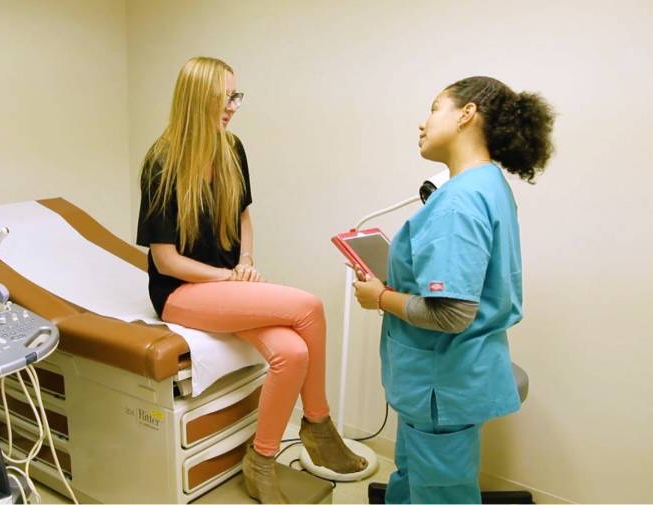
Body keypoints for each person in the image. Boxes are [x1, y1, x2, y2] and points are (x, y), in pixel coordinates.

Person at [136, 56, 368, 504]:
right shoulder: (161, 162)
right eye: (225, 97)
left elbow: (243, 217)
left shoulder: (231, 148)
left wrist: (245, 260)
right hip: (179, 292)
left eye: (235, 96)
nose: (233, 106)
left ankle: (260, 460)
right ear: (198, 98)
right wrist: (228, 278)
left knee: (292, 352)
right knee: (309, 307)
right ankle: (318, 425)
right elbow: (165, 260)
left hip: (225, 284)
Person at [352, 76, 556, 504]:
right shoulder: (488, 184)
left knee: (440, 492)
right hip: (451, 377)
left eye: (434, 108)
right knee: (414, 474)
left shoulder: (458, 202)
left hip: (441, 382)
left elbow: (451, 313)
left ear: (467, 114)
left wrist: (379, 298)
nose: (422, 123)